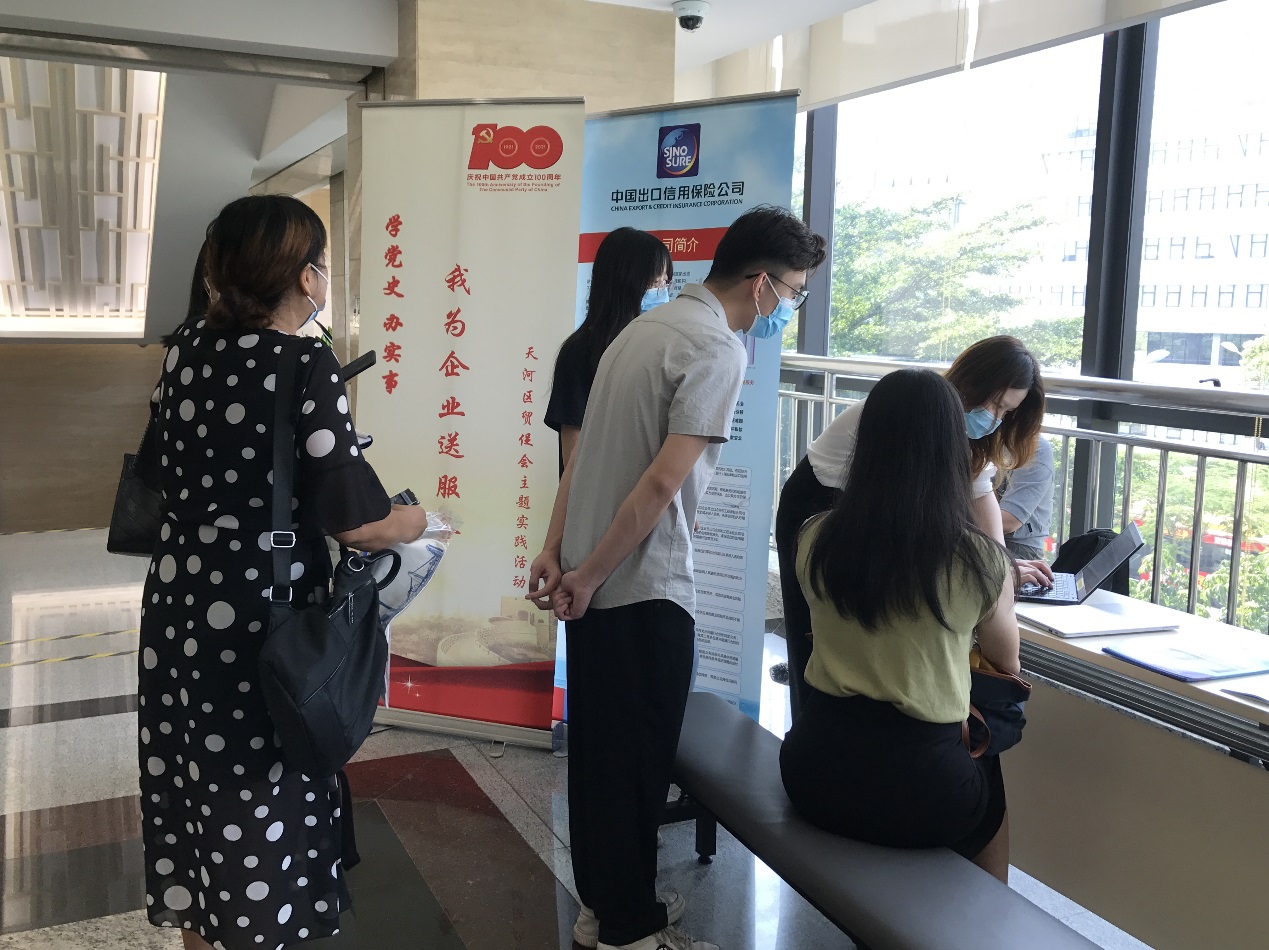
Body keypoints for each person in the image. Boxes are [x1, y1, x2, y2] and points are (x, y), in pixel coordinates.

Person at [527, 205, 826, 950]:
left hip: (593, 578)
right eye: (793, 292)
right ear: (760, 284)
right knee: (635, 764)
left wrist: (560, 552)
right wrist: (590, 574)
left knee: (600, 759)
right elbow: (662, 484)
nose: (789, 307)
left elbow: (581, 457)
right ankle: (629, 927)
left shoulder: (640, 330)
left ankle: (604, 906)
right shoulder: (715, 348)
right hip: (640, 586)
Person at [138, 195, 428, 950]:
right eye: (322, 266)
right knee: (261, 784)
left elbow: (167, 468)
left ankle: (202, 927)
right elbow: (354, 519)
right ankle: (259, 925)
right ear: (306, 276)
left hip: (180, 597)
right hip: (261, 613)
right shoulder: (303, 363)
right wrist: (418, 520)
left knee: (194, 775)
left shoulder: (185, 350)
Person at [779, 368, 1020, 883]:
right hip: (925, 794)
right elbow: (1007, 663)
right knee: (987, 751)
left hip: (813, 774)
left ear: (866, 444)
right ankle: (993, 908)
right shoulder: (980, 560)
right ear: (952, 450)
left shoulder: (814, 537)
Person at [775, 334, 1051, 719]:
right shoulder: (909, 409)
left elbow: (980, 493)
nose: (995, 420)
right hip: (822, 503)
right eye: (995, 404)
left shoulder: (963, 427)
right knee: (821, 631)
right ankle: (815, 721)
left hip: (871, 512)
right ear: (974, 382)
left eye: (1006, 413)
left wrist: (1001, 569)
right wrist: (994, 572)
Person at [545, 227, 673, 474]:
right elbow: (574, 460)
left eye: (665, 282)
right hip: (598, 494)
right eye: (654, 282)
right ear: (624, 282)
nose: (662, 292)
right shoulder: (579, 353)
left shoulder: (655, 348)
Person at [999, 435, 1055, 561]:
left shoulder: (1036, 449)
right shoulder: (983, 441)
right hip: (978, 537)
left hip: (1019, 546)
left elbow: (1009, 521)